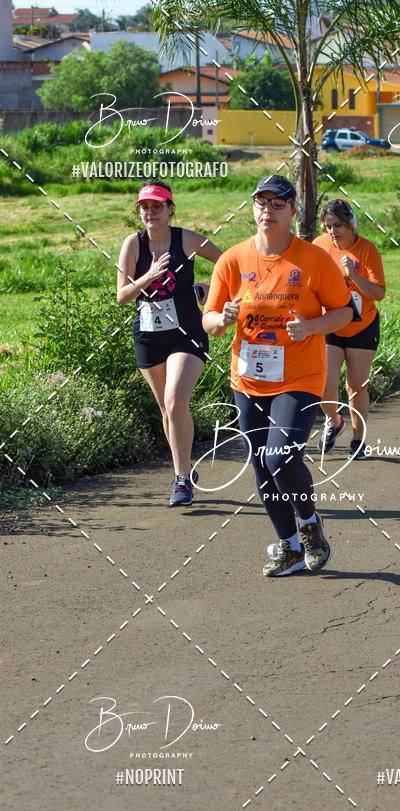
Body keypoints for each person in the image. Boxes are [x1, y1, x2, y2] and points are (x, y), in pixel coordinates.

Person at [202, 175, 353, 577]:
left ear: (292, 210)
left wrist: (311, 327)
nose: (267, 211)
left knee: (279, 455)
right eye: (261, 203)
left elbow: (344, 312)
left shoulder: (314, 259)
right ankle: (287, 547)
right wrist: (223, 318)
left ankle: (309, 523)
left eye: (277, 204)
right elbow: (209, 321)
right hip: (248, 377)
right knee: (260, 464)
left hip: (300, 375)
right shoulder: (232, 259)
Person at [117, 180, 222, 506]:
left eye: (157, 206)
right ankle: (185, 469)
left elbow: (228, 262)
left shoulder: (186, 239)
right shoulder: (132, 245)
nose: (151, 212)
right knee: (166, 408)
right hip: (149, 336)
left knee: (176, 401)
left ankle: (181, 481)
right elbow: (122, 296)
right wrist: (147, 277)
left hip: (186, 333)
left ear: (170, 208)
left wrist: (207, 286)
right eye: (145, 207)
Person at [312, 198, 386, 459]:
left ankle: (358, 440)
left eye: (339, 225)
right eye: (329, 226)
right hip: (330, 323)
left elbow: (379, 293)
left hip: (362, 326)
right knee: (325, 381)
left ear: (351, 224)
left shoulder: (367, 250)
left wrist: (354, 275)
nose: (334, 232)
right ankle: (334, 421)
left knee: (356, 386)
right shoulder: (319, 247)